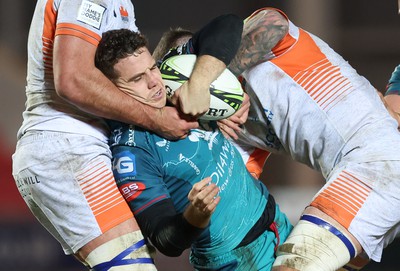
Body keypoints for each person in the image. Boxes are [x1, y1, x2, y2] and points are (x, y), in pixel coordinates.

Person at [155, 7, 400, 271]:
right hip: (373, 171)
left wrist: (216, 81)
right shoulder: (233, 127)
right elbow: (234, 188)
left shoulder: (264, 41)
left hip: (374, 161)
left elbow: (273, 22)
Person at [11, 0, 234, 270]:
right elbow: (72, 80)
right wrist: (158, 119)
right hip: (68, 148)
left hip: (80, 148)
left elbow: (132, 74)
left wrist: (217, 99)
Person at [94, 25, 293, 270]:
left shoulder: (174, 81)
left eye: (152, 68)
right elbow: (165, 240)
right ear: (113, 90)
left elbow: (227, 25)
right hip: (236, 261)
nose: (154, 83)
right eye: (137, 79)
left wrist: (214, 90)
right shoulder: (132, 152)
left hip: (278, 224)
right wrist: (194, 216)